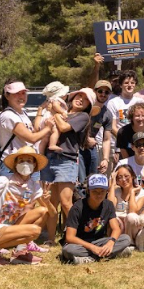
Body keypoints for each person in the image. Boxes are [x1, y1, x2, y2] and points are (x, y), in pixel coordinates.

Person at [0, 147, 54, 266]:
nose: (25, 164)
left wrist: (47, 202)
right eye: (21, 161)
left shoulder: (32, 186)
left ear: (35, 165)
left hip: (8, 228)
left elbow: (51, 213)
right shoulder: (4, 181)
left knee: (43, 211)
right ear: (15, 164)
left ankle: (20, 252)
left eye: (29, 161)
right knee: (35, 231)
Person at [43, 87, 94, 244]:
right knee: (52, 202)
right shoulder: (64, 111)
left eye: (85, 100)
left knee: (66, 202)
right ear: (72, 97)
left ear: (88, 106)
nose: (80, 99)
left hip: (66, 159)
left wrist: (55, 111)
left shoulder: (83, 116)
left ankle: (80, 234)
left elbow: (64, 128)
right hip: (49, 158)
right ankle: (50, 238)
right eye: (79, 96)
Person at [61, 174, 133, 264]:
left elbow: (116, 229)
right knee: (68, 250)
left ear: (106, 191)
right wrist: (92, 247)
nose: (99, 195)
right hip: (80, 244)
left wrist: (111, 242)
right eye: (95, 191)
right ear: (88, 191)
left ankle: (90, 259)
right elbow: (69, 237)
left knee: (126, 239)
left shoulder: (108, 205)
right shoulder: (77, 208)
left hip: (99, 241)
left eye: (102, 191)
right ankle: (114, 254)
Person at [0, 80, 54, 176]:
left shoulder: (23, 113)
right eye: (16, 94)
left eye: (23, 93)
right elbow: (32, 138)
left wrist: (40, 111)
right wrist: (48, 128)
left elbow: (34, 132)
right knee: (12, 192)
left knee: (34, 191)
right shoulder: (8, 116)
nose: (21, 96)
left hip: (30, 163)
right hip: (13, 166)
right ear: (7, 96)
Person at [108, 164, 144, 242]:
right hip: (119, 225)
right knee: (112, 218)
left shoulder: (142, 194)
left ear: (132, 176)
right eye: (120, 177)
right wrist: (112, 184)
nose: (123, 179)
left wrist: (132, 192)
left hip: (134, 228)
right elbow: (110, 207)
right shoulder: (116, 192)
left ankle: (130, 242)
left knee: (131, 217)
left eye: (126, 176)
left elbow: (133, 212)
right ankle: (115, 241)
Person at [84, 80, 114, 178]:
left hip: (91, 147)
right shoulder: (85, 107)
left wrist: (105, 159)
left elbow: (106, 139)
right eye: (100, 91)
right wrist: (86, 139)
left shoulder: (107, 114)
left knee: (93, 177)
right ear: (95, 91)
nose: (103, 94)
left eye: (107, 92)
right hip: (76, 146)